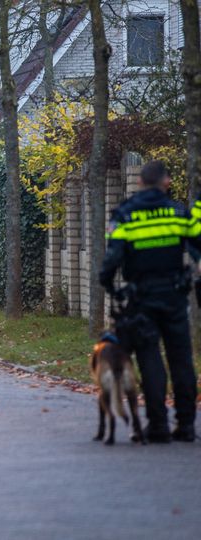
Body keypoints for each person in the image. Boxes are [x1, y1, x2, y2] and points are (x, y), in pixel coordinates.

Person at [100, 160, 199, 443]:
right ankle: (187, 425)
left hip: (142, 298)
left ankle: (158, 426)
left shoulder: (126, 214)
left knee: (150, 359)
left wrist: (109, 285)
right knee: (181, 359)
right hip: (175, 295)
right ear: (166, 182)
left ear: (140, 183)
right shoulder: (180, 212)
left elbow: (112, 258)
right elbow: (196, 245)